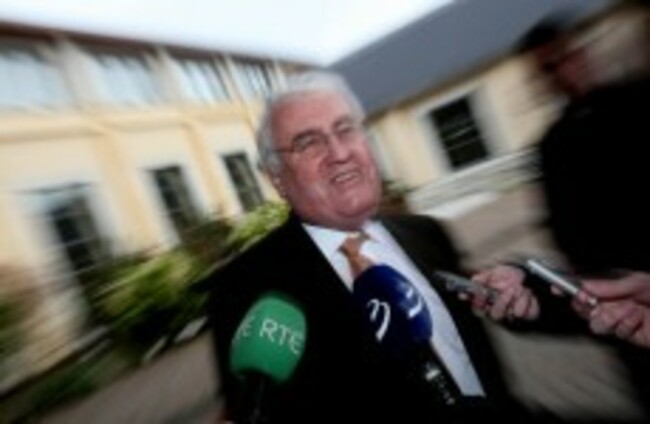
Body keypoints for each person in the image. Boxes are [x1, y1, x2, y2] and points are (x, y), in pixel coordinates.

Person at [205, 71, 542, 423]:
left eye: (346, 129)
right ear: (278, 179)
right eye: (308, 143)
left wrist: (516, 290)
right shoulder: (243, 290)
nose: (339, 153)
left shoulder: (427, 233)